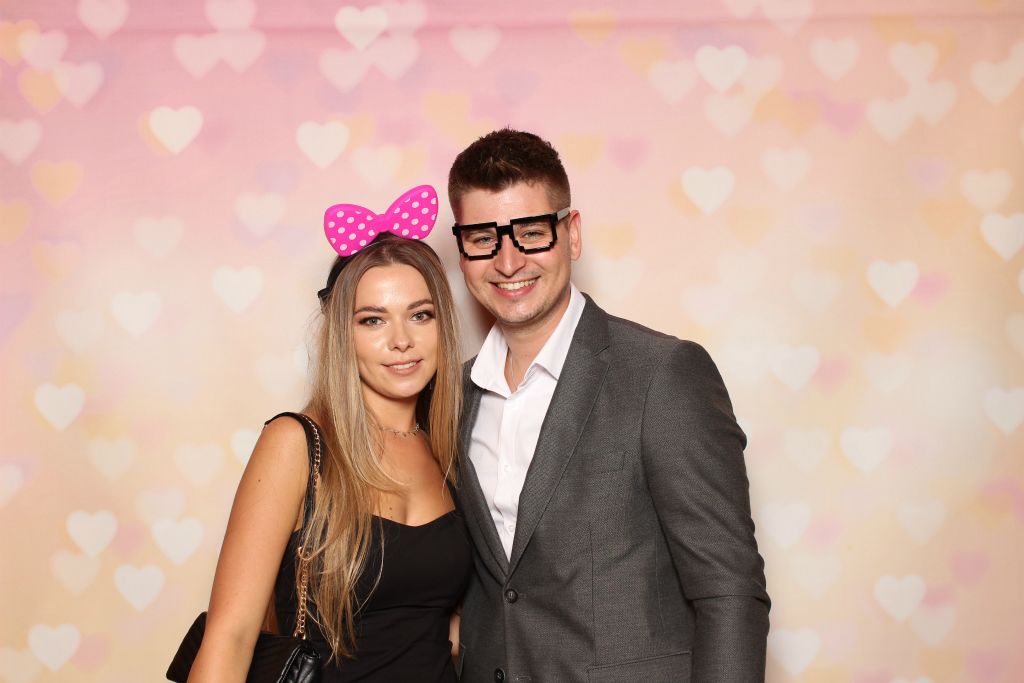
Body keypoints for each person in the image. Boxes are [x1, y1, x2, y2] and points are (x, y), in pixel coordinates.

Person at [447, 130, 770, 682]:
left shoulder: (662, 375)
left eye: (531, 233)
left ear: (571, 234)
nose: (508, 261)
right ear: (462, 252)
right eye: (483, 238)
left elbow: (729, 591)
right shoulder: (451, 398)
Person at [186, 186, 472, 682]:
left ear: (441, 323)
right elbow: (230, 638)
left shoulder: (449, 447)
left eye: (419, 314)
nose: (401, 340)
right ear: (343, 332)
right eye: (373, 320)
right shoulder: (297, 444)